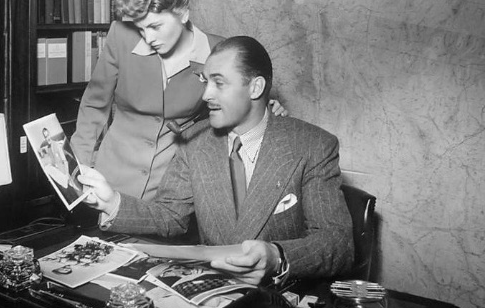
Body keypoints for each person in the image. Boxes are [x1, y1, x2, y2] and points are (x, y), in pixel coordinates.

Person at [78, 36, 353, 286]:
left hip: (277, 301)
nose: (206, 95)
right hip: (211, 293)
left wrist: (277, 256)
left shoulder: (313, 145)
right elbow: (170, 216)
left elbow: (337, 243)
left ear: (255, 88)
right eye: (205, 81)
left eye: (219, 83)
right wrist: (111, 202)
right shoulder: (194, 142)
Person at [70, 0, 286, 201]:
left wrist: (264, 110)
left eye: (155, 26)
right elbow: (94, 105)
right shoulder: (121, 36)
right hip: (111, 177)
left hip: (173, 183)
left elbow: (232, 105)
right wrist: (78, 166)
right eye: (141, 29)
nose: (148, 37)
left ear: (183, 14)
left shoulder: (218, 51)